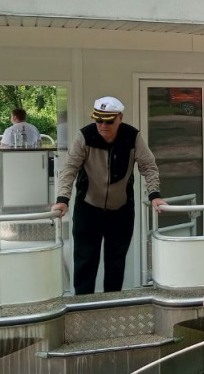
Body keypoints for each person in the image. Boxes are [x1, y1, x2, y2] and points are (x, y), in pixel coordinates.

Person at [51, 96, 166, 295]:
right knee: (85, 260)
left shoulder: (133, 137)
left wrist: (154, 194)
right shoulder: (84, 136)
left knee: (116, 261)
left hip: (121, 209)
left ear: (120, 117)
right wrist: (62, 200)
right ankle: (83, 307)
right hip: (88, 207)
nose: (103, 125)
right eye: (98, 120)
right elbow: (69, 168)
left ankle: (111, 305)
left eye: (109, 120)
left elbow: (148, 166)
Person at [0, 108, 41, 183]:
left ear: (15, 117)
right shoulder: (34, 128)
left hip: (12, 161)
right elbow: (39, 144)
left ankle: (6, 186)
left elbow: (2, 147)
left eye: (11, 116)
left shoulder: (10, 130)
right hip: (33, 161)